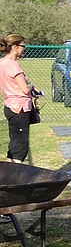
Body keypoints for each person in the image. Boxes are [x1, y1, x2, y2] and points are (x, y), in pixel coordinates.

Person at [0, 34, 38, 163]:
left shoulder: (2, 63)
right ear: (15, 47)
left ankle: (9, 174)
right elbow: (25, 89)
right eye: (23, 46)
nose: (24, 49)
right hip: (19, 109)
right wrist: (31, 86)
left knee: (14, 143)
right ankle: (15, 176)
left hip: (10, 106)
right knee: (20, 147)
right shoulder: (13, 65)